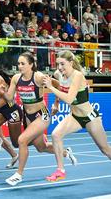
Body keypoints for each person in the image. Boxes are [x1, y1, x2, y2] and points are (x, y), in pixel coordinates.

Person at [0, 52, 77, 186]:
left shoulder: (39, 77)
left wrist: (56, 103)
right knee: (41, 147)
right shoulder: (16, 79)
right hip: (28, 116)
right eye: (18, 63)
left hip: (42, 114)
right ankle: (65, 152)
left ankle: (18, 175)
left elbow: (58, 85)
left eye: (23, 63)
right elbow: (10, 98)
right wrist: (2, 92)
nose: (19, 66)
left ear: (31, 65)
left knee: (22, 140)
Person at [43, 50, 111, 181]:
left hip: (90, 117)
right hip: (75, 116)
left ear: (71, 63)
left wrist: (50, 88)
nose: (59, 68)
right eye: (58, 64)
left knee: (105, 150)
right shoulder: (59, 74)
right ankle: (60, 171)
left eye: (62, 64)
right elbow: (60, 86)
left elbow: (68, 99)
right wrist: (56, 103)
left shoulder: (77, 75)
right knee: (56, 134)